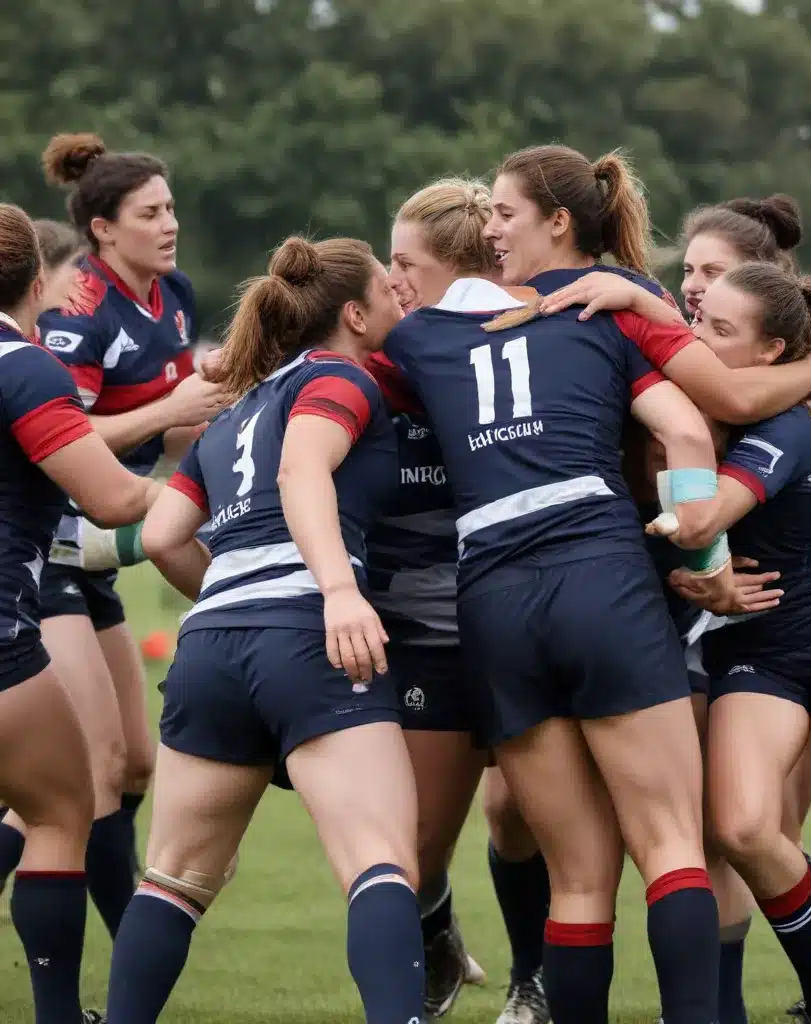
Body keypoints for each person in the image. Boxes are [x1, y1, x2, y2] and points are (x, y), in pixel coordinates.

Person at [387, 143, 811, 1024]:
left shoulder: (418, 337)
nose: (493, 227)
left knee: (578, 879)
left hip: (493, 597)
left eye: (505, 213)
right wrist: (706, 567)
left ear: (556, 221)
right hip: (603, 576)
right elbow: (695, 429)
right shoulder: (610, 311)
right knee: (671, 848)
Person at [105, 235, 426, 1024]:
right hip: (308, 629)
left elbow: (163, 536)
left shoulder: (233, 412)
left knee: (173, 879)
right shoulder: (339, 377)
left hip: (210, 643)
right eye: (386, 288)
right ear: (353, 315)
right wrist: (338, 591)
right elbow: (299, 470)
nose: (399, 297)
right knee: (379, 861)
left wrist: (233, 598)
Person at [655, 264, 811, 1024]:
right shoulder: (692, 408)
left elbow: (703, 522)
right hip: (754, 651)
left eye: (719, 330)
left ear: (770, 352)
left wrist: (696, 563)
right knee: (739, 830)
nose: (697, 339)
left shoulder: (785, 425)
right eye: (696, 320)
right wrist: (691, 580)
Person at [0, 134, 227, 940]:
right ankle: (130, 942)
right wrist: (176, 414)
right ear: (102, 231)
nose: (170, 225)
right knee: (77, 779)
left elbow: (172, 429)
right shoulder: (79, 312)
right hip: (61, 537)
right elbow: (65, 433)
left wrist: (226, 411)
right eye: (150, 213)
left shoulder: (175, 295)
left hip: (106, 537)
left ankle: (124, 936)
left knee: (133, 760)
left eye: (171, 208)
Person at [0, 200, 164, 1024]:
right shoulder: (26, 368)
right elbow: (113, 500)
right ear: (38, 282)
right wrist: (204, 496)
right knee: (60, 813)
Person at [375, 178, 496, 1017]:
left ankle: (536, 983)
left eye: (405, 263)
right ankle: (435, 931)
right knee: (413, 841)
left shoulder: (515, 350)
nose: (392, 280)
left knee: (528, 820)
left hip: (520, 614)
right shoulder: (381, 365)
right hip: (419, 630)